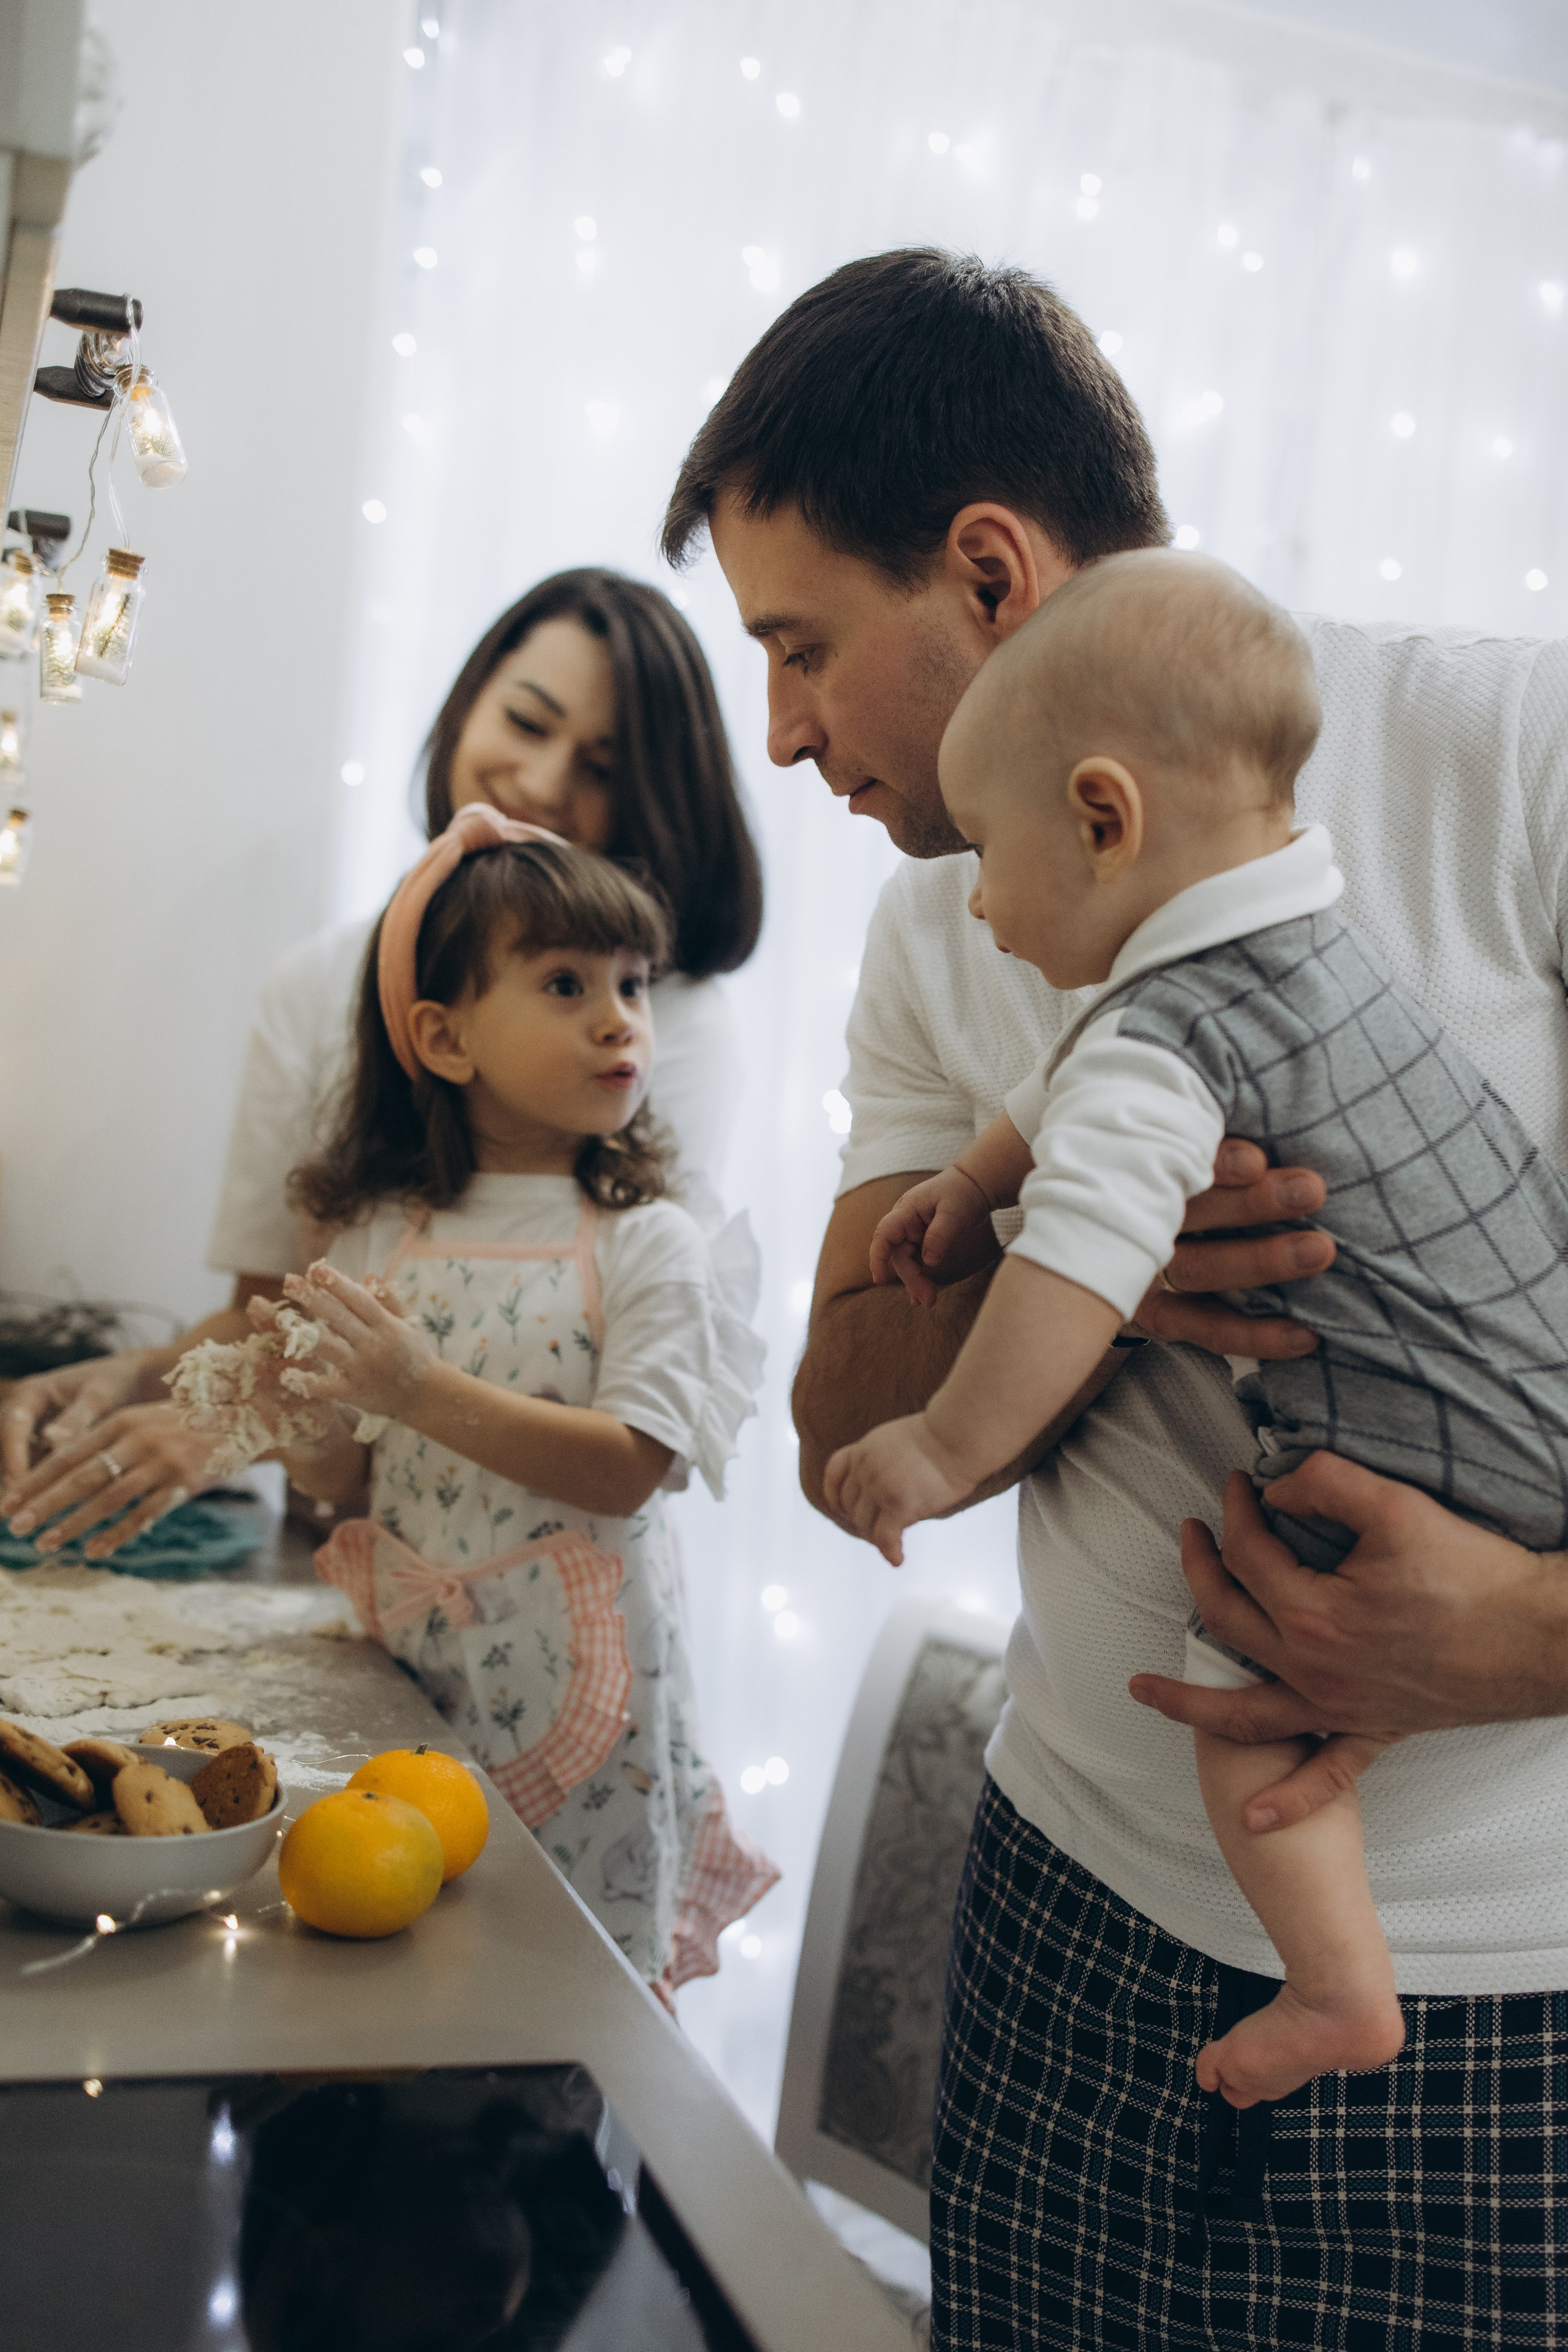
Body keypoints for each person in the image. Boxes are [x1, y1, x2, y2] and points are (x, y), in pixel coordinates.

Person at [662, 249, 1568, 2346]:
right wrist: (1087, 1249)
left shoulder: (1510, 767)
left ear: (989, 572)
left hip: (1514, 2008)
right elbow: (837, 1425)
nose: (781, 735)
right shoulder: (943, 926)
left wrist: (1522, 1635)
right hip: (1068, 1925)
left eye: (800, 650)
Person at [830, 546, 1568, 2113]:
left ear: (1102, 818)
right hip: (1531, 1384)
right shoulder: (1291, 913)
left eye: (990, 856)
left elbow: (1083, 1260)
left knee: (1237, 1671)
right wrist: (973, 1180)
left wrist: (943, 1438)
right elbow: (1061, 1090)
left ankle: (1335, 1982)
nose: (973, 901)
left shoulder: (1168, 1035)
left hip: (1434, 1484)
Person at [1, 570, 763, 1560]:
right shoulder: (314, 984)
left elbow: (610, 1405)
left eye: (603, 769)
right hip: (360, 1573)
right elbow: (267, 1317)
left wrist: (241, 1422)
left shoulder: (669, 1026)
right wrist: (130, 1377)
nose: (540, 783)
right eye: (526, 723)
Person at [219, 804, 775, 1991]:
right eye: (566, 985)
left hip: (594, 1701)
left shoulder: (650, 1245)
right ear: (446, 1037)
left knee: (563, 1996)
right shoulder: (378, 1236)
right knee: (397, 1965)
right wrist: (300, 1420)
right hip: (410, 1677)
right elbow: (343, 1485)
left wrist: (418, 1387)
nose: (621, 1019)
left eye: (633, 983)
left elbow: (630, 1462)